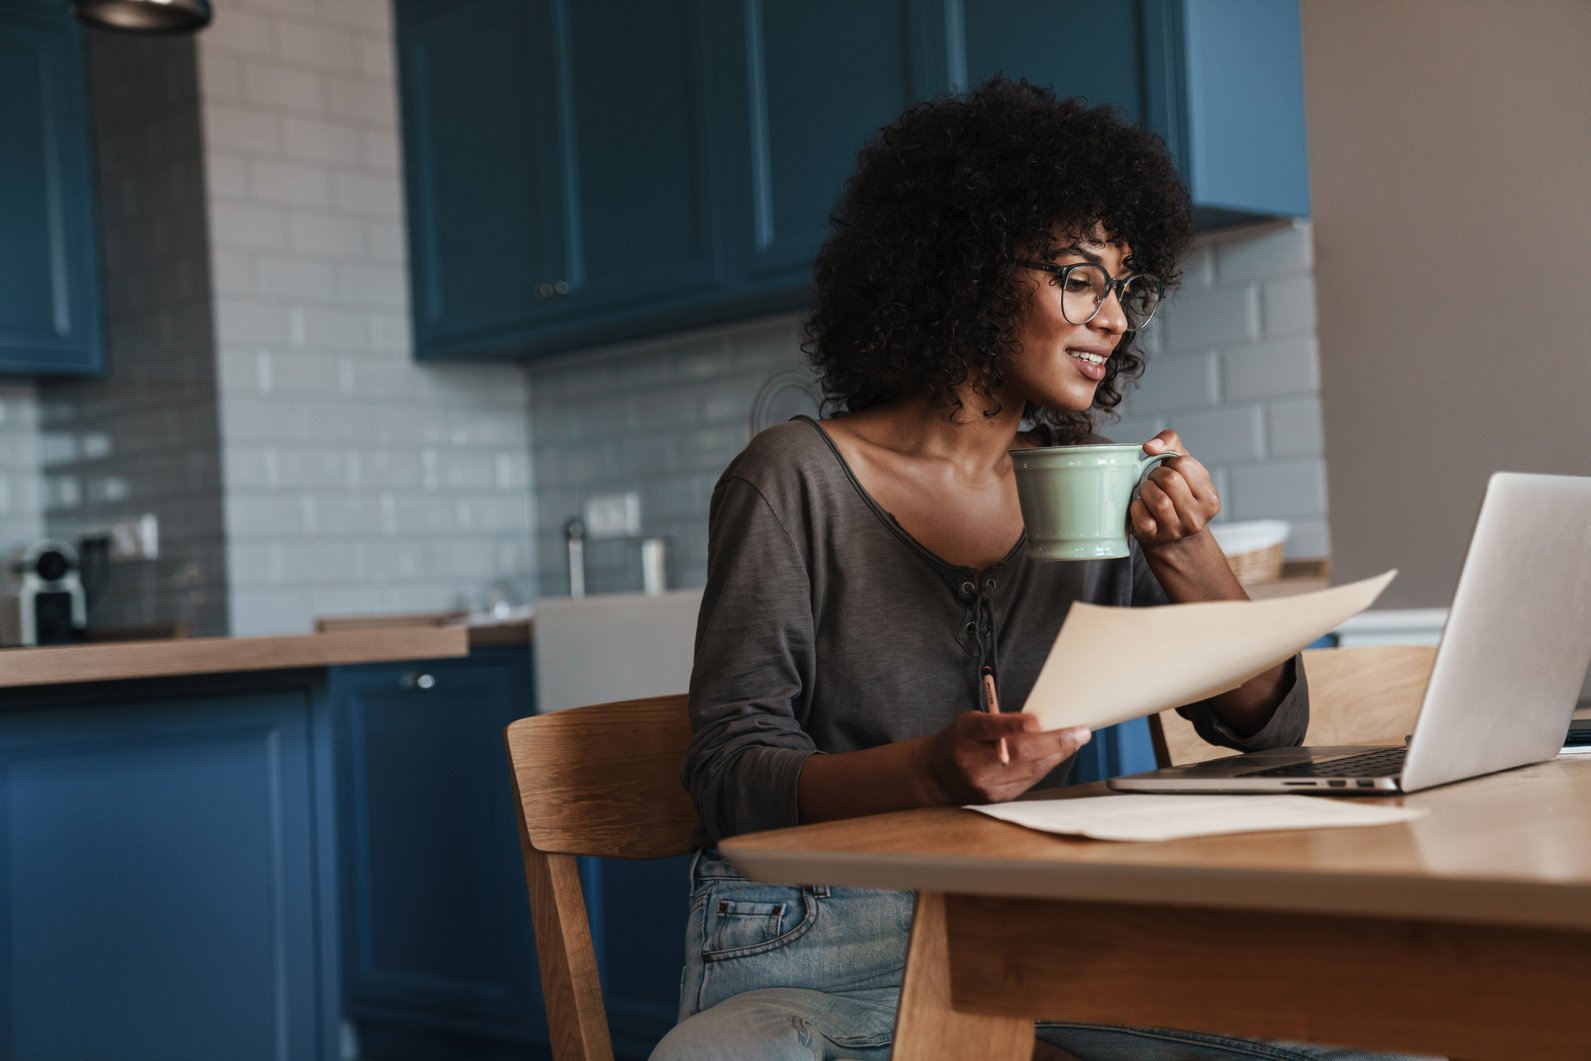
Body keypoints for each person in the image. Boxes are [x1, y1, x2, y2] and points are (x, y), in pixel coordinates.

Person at [651, 78, 1421, 1061]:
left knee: (1377, 1033)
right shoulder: (791, 478)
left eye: (1125, 287)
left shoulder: (1088, 479)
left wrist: (1187, 555)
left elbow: (1264, 724)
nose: (1115, 319)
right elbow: (728, 777)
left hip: (1046, 927)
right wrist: (931, 768)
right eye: (1078, 277)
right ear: (963, 269)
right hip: (815, 942)